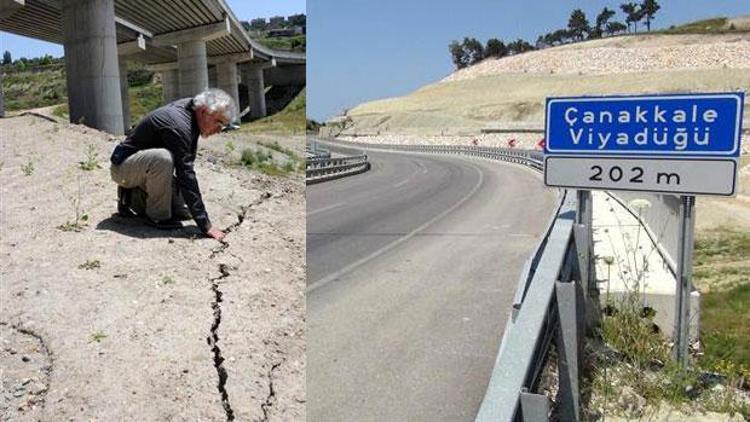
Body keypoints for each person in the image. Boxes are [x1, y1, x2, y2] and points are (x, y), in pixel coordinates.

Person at [109, 88, 234, 241]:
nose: (219, 130)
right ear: (203, 111)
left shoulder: (192, 112)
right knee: (164, 158)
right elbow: (185, 173)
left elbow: (186, 166)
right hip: (123, 168)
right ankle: (157, 216)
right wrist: (205, 224)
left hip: (142, 169)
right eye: (219, 122)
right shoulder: (179, 124)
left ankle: (131, 197)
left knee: (180, 210)